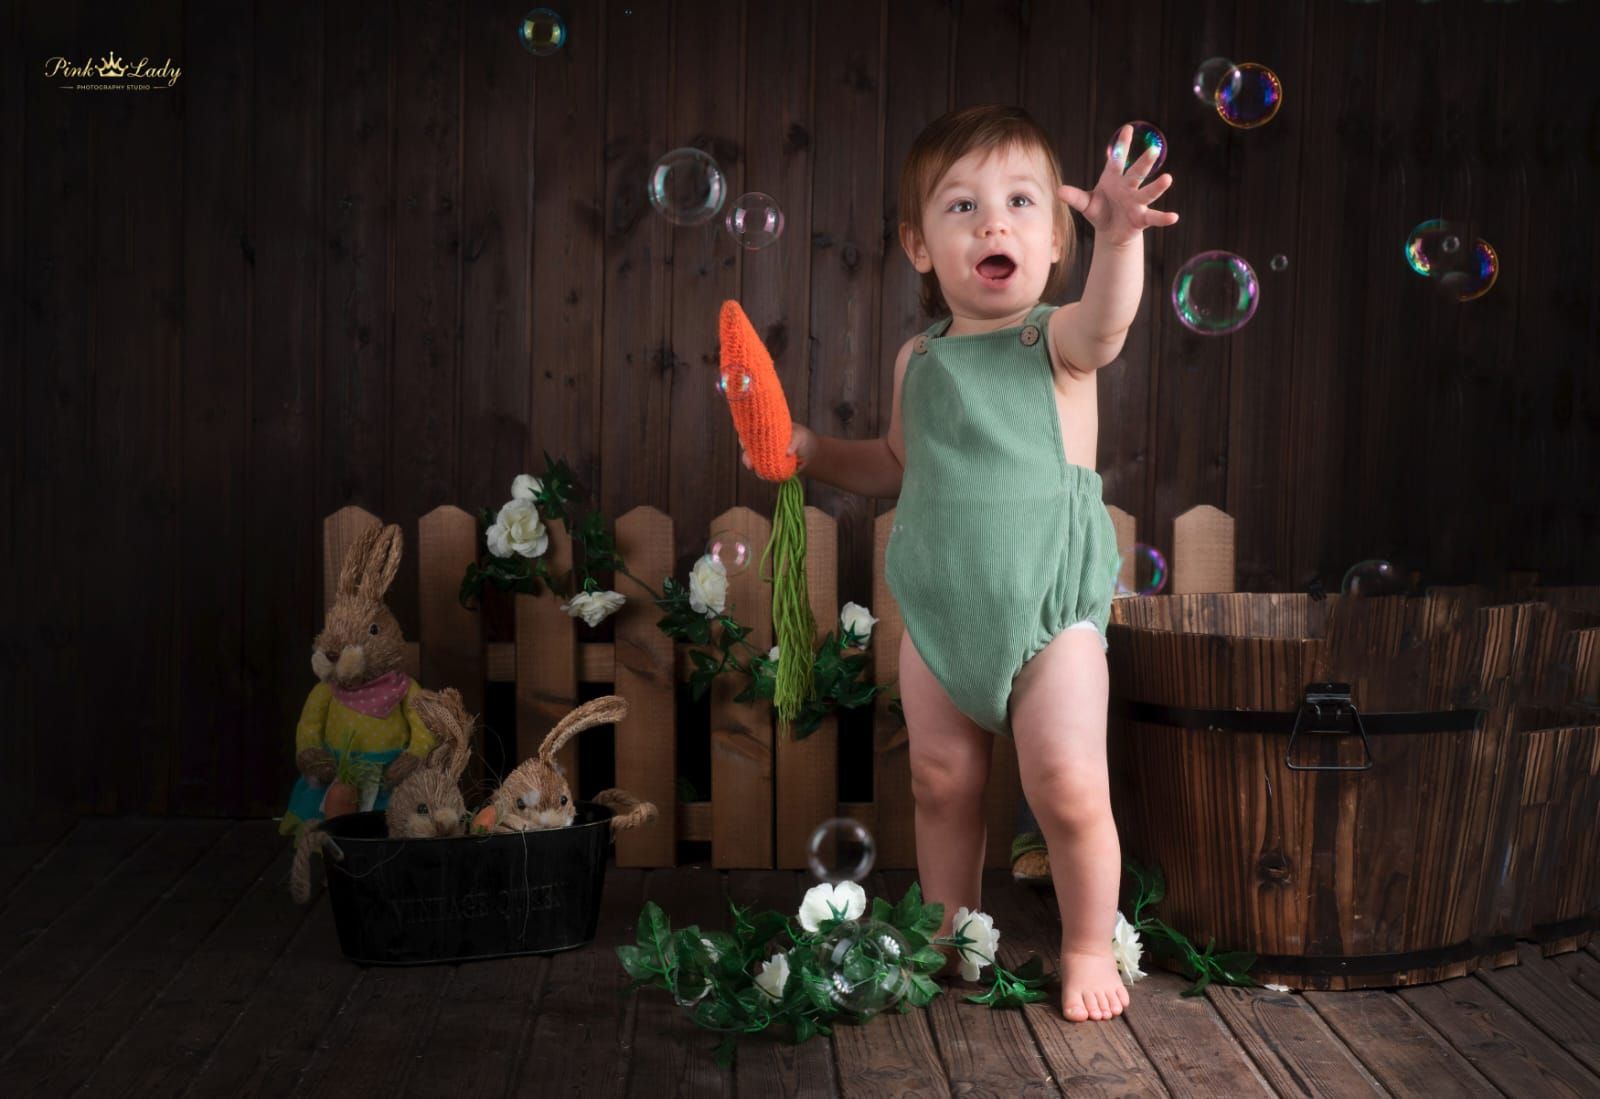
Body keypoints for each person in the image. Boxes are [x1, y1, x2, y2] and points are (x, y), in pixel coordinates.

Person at [740, 105, 1176, 1021]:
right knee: (941, 782)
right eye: (962, 206)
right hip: (943, 616)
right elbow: (898, 462)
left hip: (1048, 614)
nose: (992, 224)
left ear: (1054, 240)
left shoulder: (1058, 341)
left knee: (1067, 785)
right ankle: (949, 932)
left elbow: (1111, 321)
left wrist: (1120, 239)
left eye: (1020, 202)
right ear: (919, 246)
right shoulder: (920, 357)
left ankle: (1086, 943)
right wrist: (813, 450)